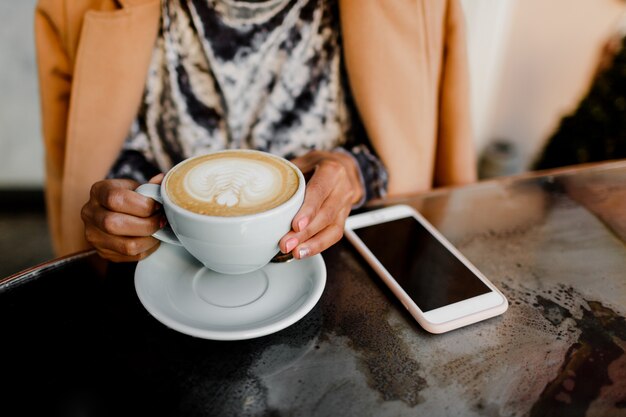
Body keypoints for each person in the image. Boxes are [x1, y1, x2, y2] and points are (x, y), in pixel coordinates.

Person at [34, 0, 477, 264]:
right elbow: (78, 161)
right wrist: (119, 212)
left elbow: (433, 158)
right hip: (156, 286)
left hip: (357, 280)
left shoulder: (422, 8)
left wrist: (354, 171)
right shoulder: (73, 8)